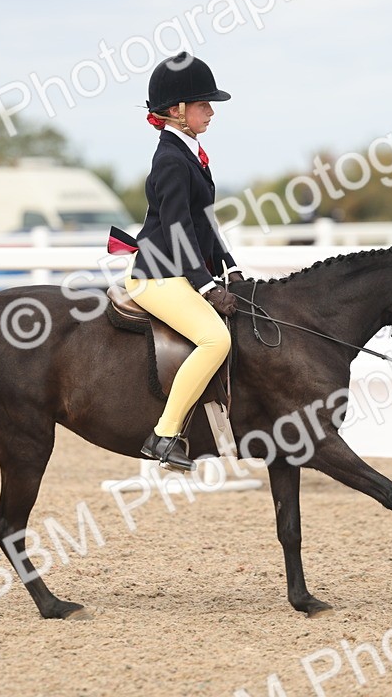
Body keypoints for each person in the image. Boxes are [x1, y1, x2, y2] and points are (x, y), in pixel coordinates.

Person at [114, 52, 242, 472]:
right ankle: (165, 436)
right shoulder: (171, 158)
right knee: (215, 340)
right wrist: (206, 286)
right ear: (177, 111)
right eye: (204, 104)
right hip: (157, 275)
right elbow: (177, 229)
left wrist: (230, 266)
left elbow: (203, 221)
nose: (211, 112)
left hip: (178, 269)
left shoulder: (190, 152)